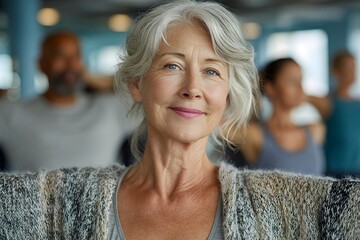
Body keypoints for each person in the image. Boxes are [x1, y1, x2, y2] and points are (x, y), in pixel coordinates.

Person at [0, 1, 359, 239]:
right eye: (172, 66)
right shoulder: (67, 199)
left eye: (212, 72)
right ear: (137, 84)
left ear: (228, 94)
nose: (193, 88)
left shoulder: (278, 202)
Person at [0, 31, 137, 170]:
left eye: (76, 56)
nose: (70, 64)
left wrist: (95, 80)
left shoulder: (110, 108)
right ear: (41, 64)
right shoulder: (11, 113)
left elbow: (146, 93)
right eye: (60, 56)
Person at [227, 58, 325, 176]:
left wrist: (304, 96)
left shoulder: (315, 130)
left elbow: (330, 106)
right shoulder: (254, 134)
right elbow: (215, 124)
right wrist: (248, 92)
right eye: (292, 81)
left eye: (301, 81)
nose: (301, 89)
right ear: (270, 87)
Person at [308, 51, 360, 178]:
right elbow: (299, 96)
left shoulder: (357, 103)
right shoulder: (328, 103)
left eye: (354, 68)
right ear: (335, 71)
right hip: (335, 172)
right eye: (347, 68)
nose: (352, 73)